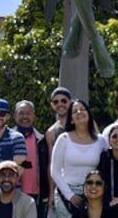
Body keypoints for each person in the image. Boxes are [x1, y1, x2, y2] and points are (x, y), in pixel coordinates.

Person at [50, 100, 106, 218]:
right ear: (71, 119)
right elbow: (55, 170)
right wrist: (69, 195)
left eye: (83, 109)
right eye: (75, 111)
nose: (79, 112)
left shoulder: (101, 141)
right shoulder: (64, 139)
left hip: (93, 192)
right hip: (67, 192)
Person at [12, 100, 50, 218]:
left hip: (37, 195)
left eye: (29, 113)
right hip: (13, 193)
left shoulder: (42, 140)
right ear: (14, 116)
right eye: (21, 113)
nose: (25, 116)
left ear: (34, 116)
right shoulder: (8, 139)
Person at [45, 87, 72, 218]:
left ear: (70, 102)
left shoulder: (84, 124)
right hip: (62, 184)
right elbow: (52, 164)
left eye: (63, 101)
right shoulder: (51, 132)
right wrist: (51, 193)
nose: (60, 104)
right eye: (56, 102)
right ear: (52, 105)